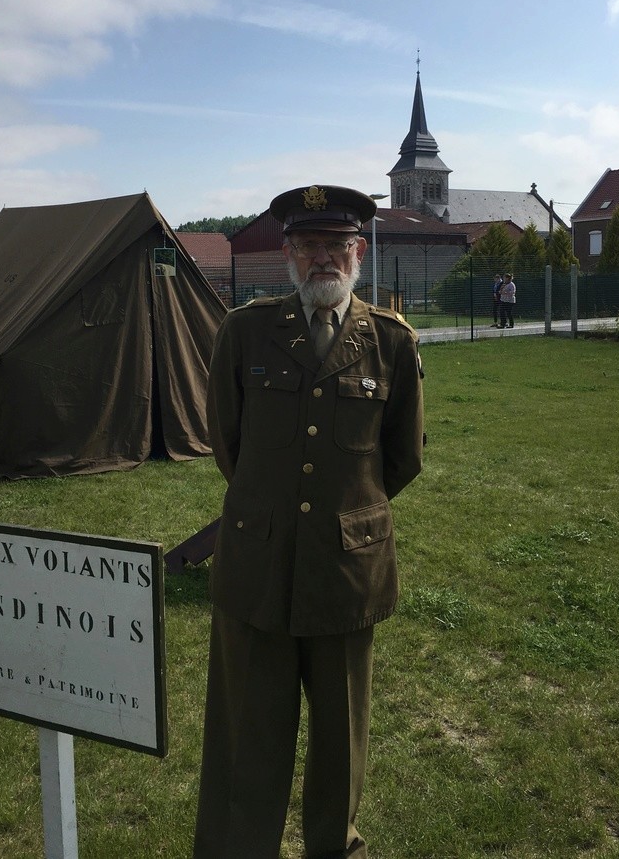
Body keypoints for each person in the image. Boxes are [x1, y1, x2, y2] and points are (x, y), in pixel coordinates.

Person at [193, 184, 424, 859]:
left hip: (346, 572)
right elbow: (227, 443)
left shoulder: (389, 340)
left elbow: (401, 458)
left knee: (339, 746)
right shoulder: (246, 331)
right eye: (309, 244)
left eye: (336, 244)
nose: (323, 256)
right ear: (289, 252)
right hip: (256, 569)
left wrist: (343, 512)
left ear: (357, 251)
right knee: (245, 740)